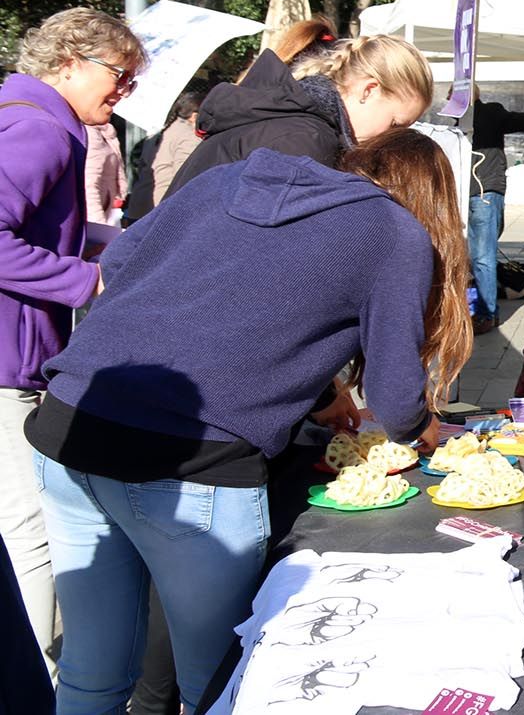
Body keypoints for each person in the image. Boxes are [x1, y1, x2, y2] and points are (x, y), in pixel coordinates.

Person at [28, 129, 469, 713]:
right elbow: (393, 397)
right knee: (221, 684)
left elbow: (126, 259)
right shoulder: (394, 232)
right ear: (435, 202)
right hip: (192, 463)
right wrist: (421, 428)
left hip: (69, 424)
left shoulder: (228, 176)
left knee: (92, 670)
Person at [0, 7, 146, 679]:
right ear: (68, 64)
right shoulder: (41, 128)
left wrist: (109, 244)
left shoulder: (31, 116)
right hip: (7, 357)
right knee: (28, 527)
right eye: (119, 76)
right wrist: (86, 280)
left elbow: (36, 227)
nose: (124, 92)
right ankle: (33, 675)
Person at [167, 33, 433, 197]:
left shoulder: (290, 121)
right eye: (396, 124)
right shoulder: (304, 141)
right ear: (369, 90)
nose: (394, 138)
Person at [468, 88, 524, 334]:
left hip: (485, 191)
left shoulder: (488, 111)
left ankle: (486, 313)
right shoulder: (455, 121)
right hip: (466, 192)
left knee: (483, 255)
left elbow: (510, 119)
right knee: (473, 256)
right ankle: (475, 308)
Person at [149, 88, 206, 207]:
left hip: (156, 198)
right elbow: (186, 173)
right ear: (194, 117)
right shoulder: (188, 136)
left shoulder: (168, 130)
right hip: (172, 202)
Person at [84, 120, 126, 225]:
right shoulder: (90, 134)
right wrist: (99, 225)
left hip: (105, 209)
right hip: (94, 217)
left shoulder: (104, 131)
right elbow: (88, 185)